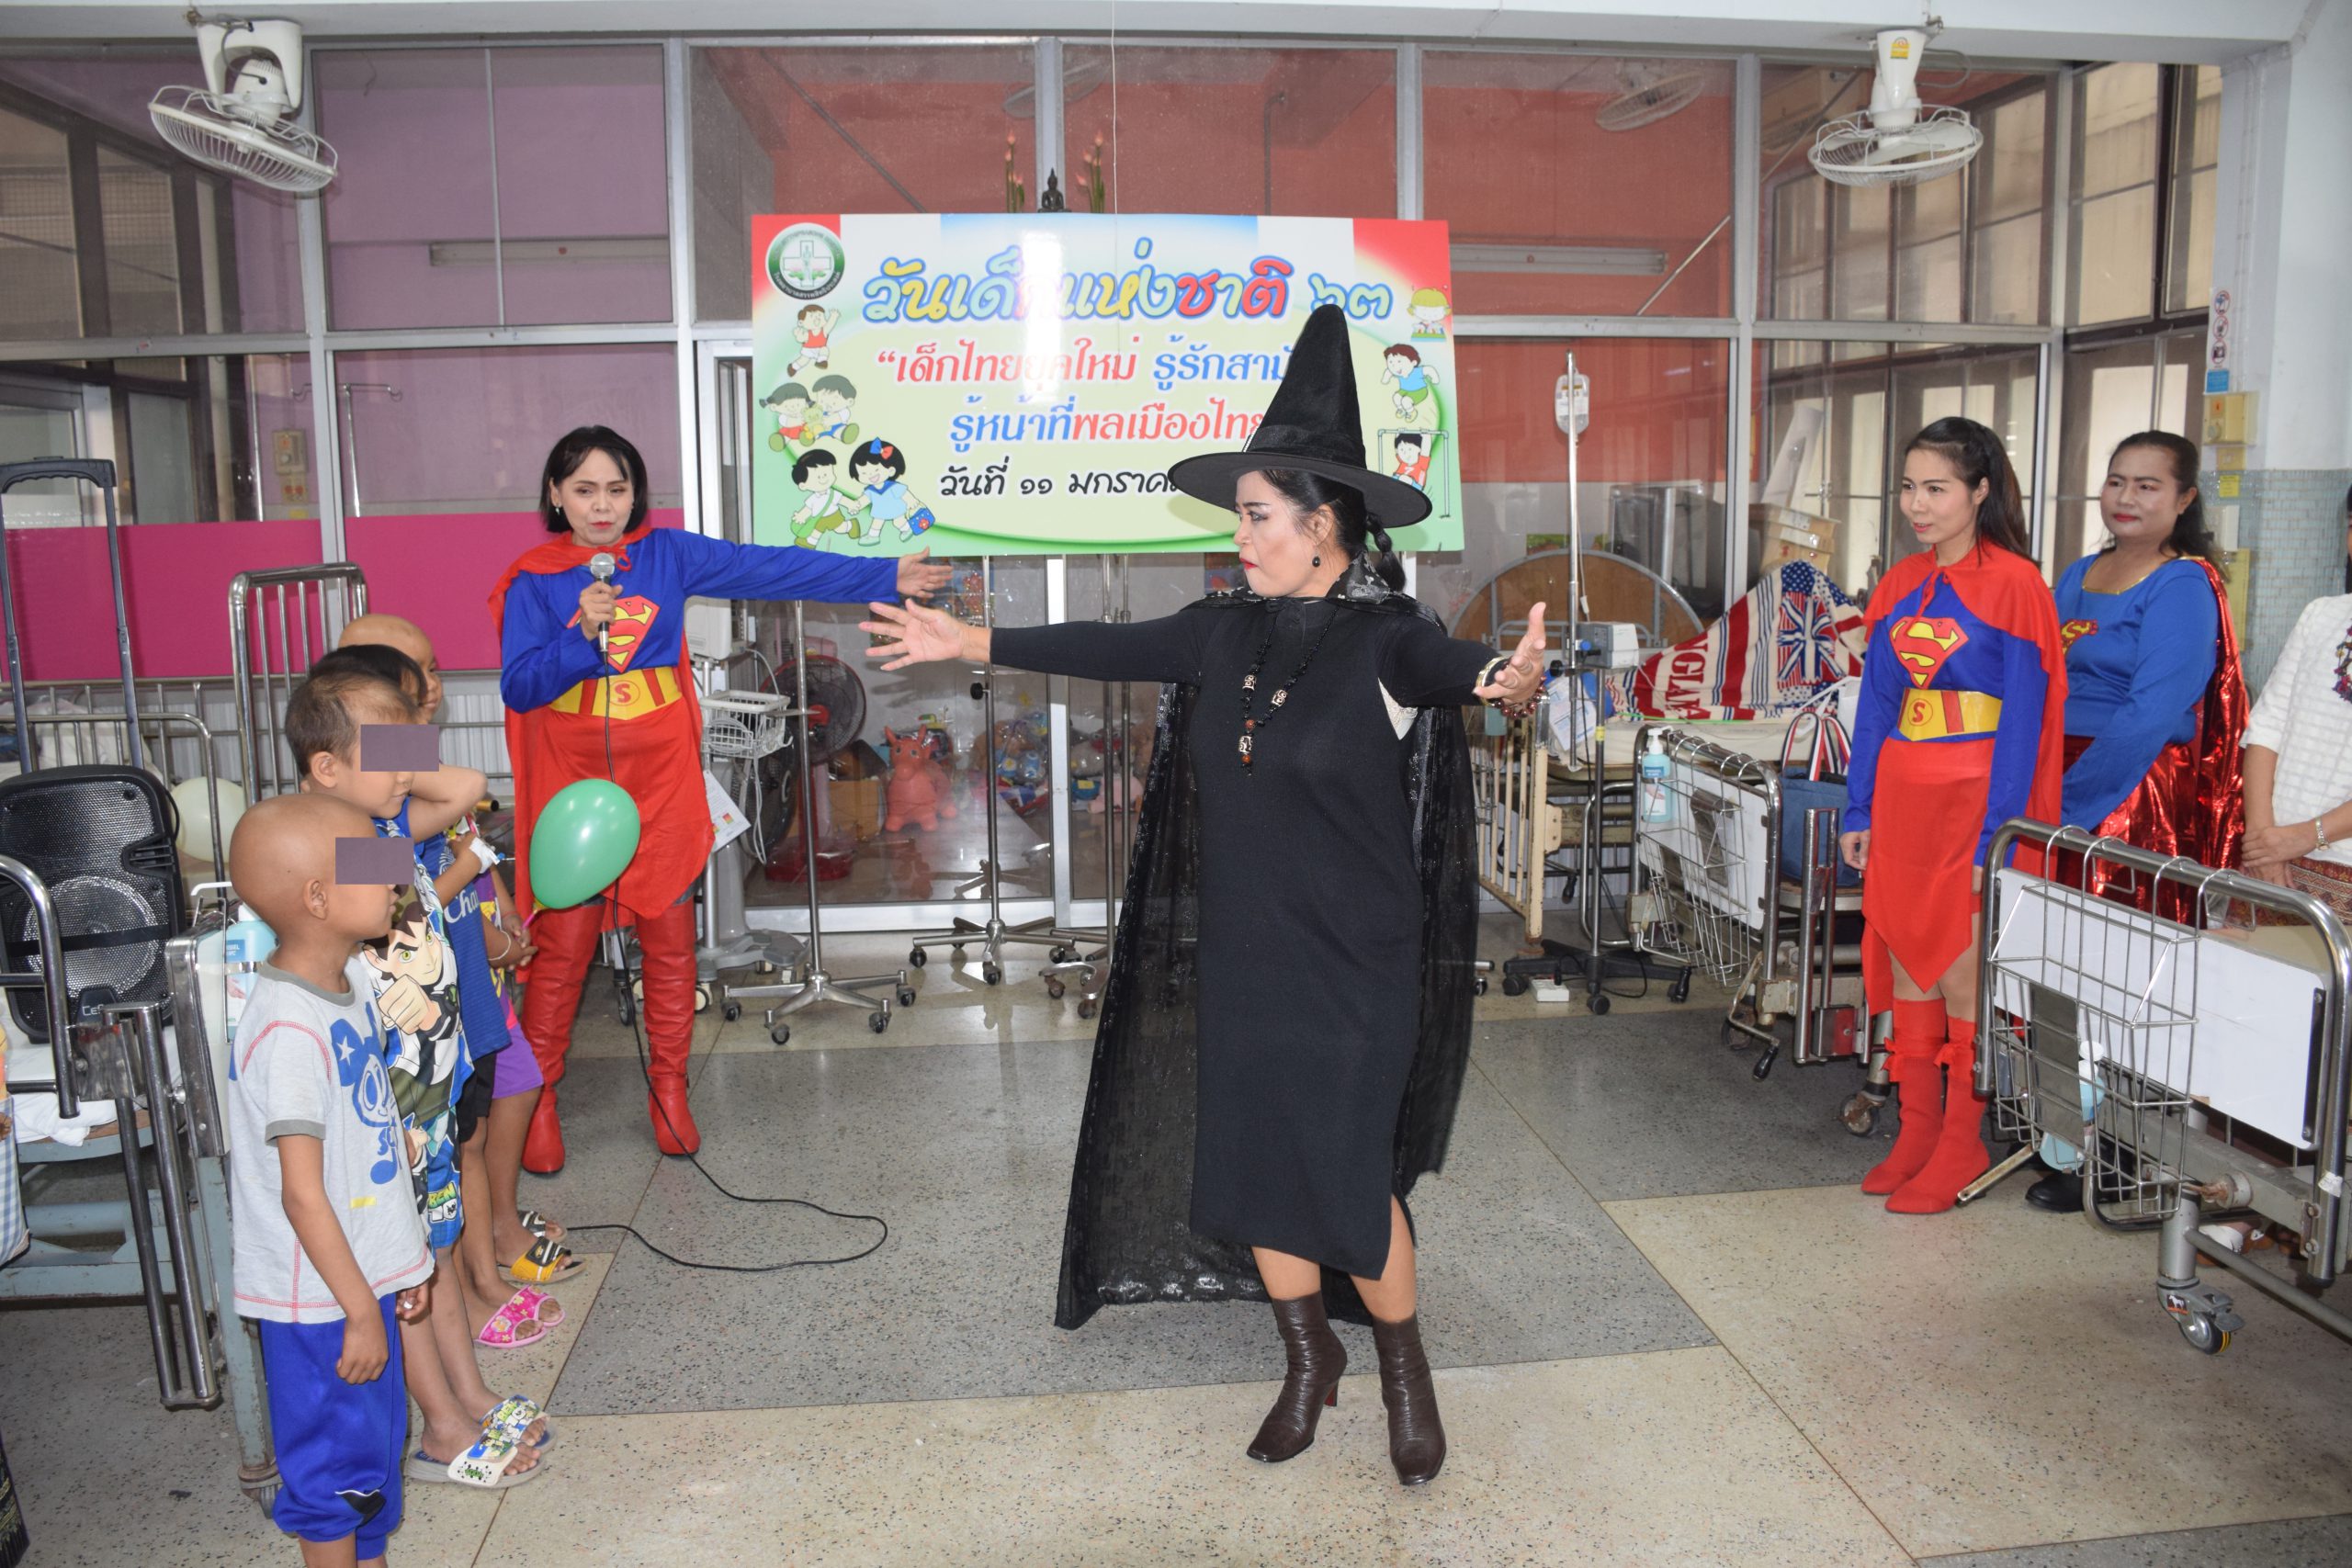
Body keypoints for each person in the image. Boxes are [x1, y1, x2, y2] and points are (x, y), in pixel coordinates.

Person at [862, 304, 1546, 1485]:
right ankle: (1306, 1365)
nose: (1239, 536)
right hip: (1247, 955)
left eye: (1256, 515)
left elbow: (1456, 671)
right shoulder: (1220, 636)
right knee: (1258, 1167)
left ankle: (1403, 1374)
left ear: (1322, 526)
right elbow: (1100, 645)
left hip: (1356, 966)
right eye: (1240, 515)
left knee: (1347, 1176)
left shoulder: (1388, 641)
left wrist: (1504, 677)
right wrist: (966, 641)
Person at [490, 426, 949, 1171]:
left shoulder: (666, 555)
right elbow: (520, 685)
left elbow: (771, 567)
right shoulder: (532, 580)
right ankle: (537, 1100)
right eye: (584, 489)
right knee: (564, 949)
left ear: (636, 494)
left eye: (616, 489)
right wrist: (582, 634)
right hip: (577, 787)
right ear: (555, 495)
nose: (602, 505)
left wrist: (883, 572)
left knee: (671, 941)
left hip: (662, 780)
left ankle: (670, 1090)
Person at [284, 663, 548, 1490]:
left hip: (430, 1094)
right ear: (326, 767)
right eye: (389, 752)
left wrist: (388, 753)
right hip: (389, 1110)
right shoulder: (327, 859)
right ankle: (441, 1424)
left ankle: (469, 1393)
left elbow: (459, 803)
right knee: (411, 1269)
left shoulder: (379, 831)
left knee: (436, 1249)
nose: (407, 771)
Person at [1838, 416, 2067, 1216]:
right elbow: (1875, 706)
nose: (1917, 504)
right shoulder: (1899, 583)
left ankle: (1963, 1138)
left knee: (1962, 968)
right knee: (1909, 957)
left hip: (1975, 803)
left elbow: (2026, 725)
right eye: (1908, 487)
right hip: (1904, 794)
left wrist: (1997, 838)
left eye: (1936, 488)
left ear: (1980, 492)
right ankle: (1919, 1129)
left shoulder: (2017, 585)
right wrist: (1859, 804)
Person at [332, 618, 582, 1322]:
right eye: (407, 681)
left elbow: (466, 811)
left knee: (464, 1139)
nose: (429, 689)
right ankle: (470, 1276)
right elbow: (403, 902)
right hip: (416, 1011)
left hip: (458, 982)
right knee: (447, 1150)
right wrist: (394, 734)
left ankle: (480, 1266)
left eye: (431, 673)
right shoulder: (358, 816)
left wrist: (489, 892)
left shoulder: (397, 794)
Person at [2028, 434, 2248, 1213]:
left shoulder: (2183, 585)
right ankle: (2060, 1140)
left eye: (2148, 485)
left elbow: (2154, 709)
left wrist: (2072, 803)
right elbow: (2042, 677)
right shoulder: (2078, 573)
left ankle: (2121, 1151)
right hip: (2055, 787)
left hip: (2132, 794)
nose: (2126, 497)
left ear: (2184, 499)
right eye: (2117, 481)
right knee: (2051, 969)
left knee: (2120, 977)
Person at [226, 792, 435, 1564]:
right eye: (369, 861)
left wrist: (398, 1264)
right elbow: (302, 1192)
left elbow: (361, 1138)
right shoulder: (288, 1026)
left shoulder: (345, 982)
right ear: (318, 897)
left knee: (371, 1468)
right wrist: (356, 1307)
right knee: (333, 1485)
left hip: (355, 1281)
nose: (393, 873)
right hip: (318, 1302)